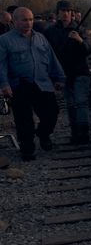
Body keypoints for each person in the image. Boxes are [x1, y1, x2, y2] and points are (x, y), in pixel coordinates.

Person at [0, 8, 65, 160]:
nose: (28, 23)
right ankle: (27, 149)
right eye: (24, 20)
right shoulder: (4, 40)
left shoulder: (40, 38)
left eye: (30, 19)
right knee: (24, 120)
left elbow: (51, 58)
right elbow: (1, 64)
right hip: (19, 85)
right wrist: (4, 84)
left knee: (51, 113)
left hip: (42, 84)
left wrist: (60, 78)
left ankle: (43, 134)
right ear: (14, 21)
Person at [57, 17, 91, 143]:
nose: (65, 14)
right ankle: (75, 133)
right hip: (64, 73)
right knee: (71, 105)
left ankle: (83, 133)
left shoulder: (81, 30)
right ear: (58, 13)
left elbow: (88, 50)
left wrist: (80, 40)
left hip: (80, 72)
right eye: (63, 11)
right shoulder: (53, 31)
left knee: (81, 102)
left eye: (68, 11)